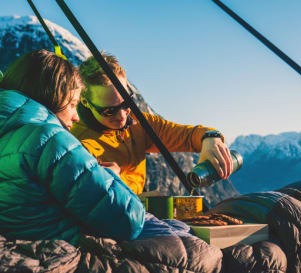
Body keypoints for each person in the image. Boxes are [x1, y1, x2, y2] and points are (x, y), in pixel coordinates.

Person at [0, 49, 145, 245]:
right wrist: (112, 177)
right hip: (69, 252)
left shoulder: (8, 133)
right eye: (73, 104)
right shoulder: (50, 140)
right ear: (52, 98)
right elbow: (129, 221)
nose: (76, 117)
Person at [71, 54, 234, 196]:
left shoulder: (138, 123)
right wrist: (115, 180)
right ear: (85, 102)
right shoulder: (79, 143)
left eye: (127, 103)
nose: (121, 116)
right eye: (108, 111)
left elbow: (188, 136)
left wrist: (210, 138)